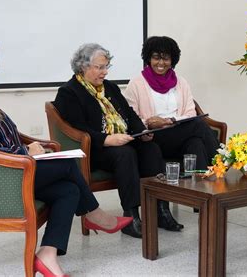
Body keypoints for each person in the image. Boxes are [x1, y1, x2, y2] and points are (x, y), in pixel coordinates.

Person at [0, 38, 133, 277]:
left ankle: (47, 256)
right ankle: (94, 214)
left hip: (9, 173)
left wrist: (32, 147)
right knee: (65, 163)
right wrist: (26, 153)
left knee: (68, 190)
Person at [53, 43, 184, 238]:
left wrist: (142, 131)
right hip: (94, 149)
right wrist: (107, 139)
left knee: (151, 148)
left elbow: (130, 116)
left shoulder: (111, 88)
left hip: (122, 140)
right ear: (83, 67)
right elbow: (78, 129)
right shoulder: (69, 92)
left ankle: (160, 210)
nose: (105, 72)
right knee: (125, 153)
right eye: (100, 67)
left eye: (106, 67)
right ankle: (131, 216)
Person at [124, 36, 219, 171]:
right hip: (154, 136)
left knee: (195, 143)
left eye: (166, 58)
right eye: (156, 57)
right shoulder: (136, 84)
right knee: (198, 125)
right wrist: (149, 123)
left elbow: (190, 113)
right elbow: (130, 118)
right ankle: (221, 163)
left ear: (172, 60)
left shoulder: (181, 82)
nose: (161, 63)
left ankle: (199, 188)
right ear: (148, 59)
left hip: (179, 134)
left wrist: (169, 121)